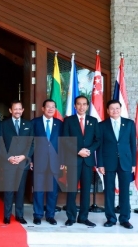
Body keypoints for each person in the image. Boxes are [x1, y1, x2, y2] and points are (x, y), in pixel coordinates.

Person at [97, 100, 136, 229]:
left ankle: (125, 218)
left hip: (125, 162)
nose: (115, 111)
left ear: (120, 109)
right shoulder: (102, 125)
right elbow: (100, 146)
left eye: (117, 108)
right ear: (108, 111)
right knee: (109, 191)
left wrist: (133, 164)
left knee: (125, 191)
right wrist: (100, 164)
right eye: (112, 109)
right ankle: (111, 218)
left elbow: (132, 144)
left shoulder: (129, 124)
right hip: (108, 162)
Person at [63, 95, 100, 227]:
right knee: (71, 189)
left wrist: (88, 150)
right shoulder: (69, 121)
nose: (81, 106)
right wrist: (78, 150)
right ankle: (71, 217)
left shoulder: (93, 121)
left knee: (86, 190)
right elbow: (65, 139)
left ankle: (83, 217)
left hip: (88, 161)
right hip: (73, 159)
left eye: (84, 104)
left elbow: (97, 140)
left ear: (88, 106)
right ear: (74, 106)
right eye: (79, 104)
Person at [1, 100, 33, 224]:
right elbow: (0, 144)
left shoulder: (28, 124)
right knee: (8, 190)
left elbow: (32, 143)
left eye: (20, 109)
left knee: (20, 190)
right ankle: (7, 216)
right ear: (10, 110)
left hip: (22, 162)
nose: (17, 111)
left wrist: (24, 156)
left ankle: (20, 215)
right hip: (8, 162)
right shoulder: (3, 124)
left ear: (23, 110)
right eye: (15, 109)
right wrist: (8, 157)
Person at [31, 99, 63, 225]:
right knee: (38, 189)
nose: (50, 109)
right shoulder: (35, 123)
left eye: (53, 107)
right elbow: (30, 143)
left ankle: (50, 215)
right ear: (42, 108)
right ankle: (37, 215)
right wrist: (31, 160)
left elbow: (63, 143)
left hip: (55, 162)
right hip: (39, 161)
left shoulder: (60, 124)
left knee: (53, 190)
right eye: (48, 107)